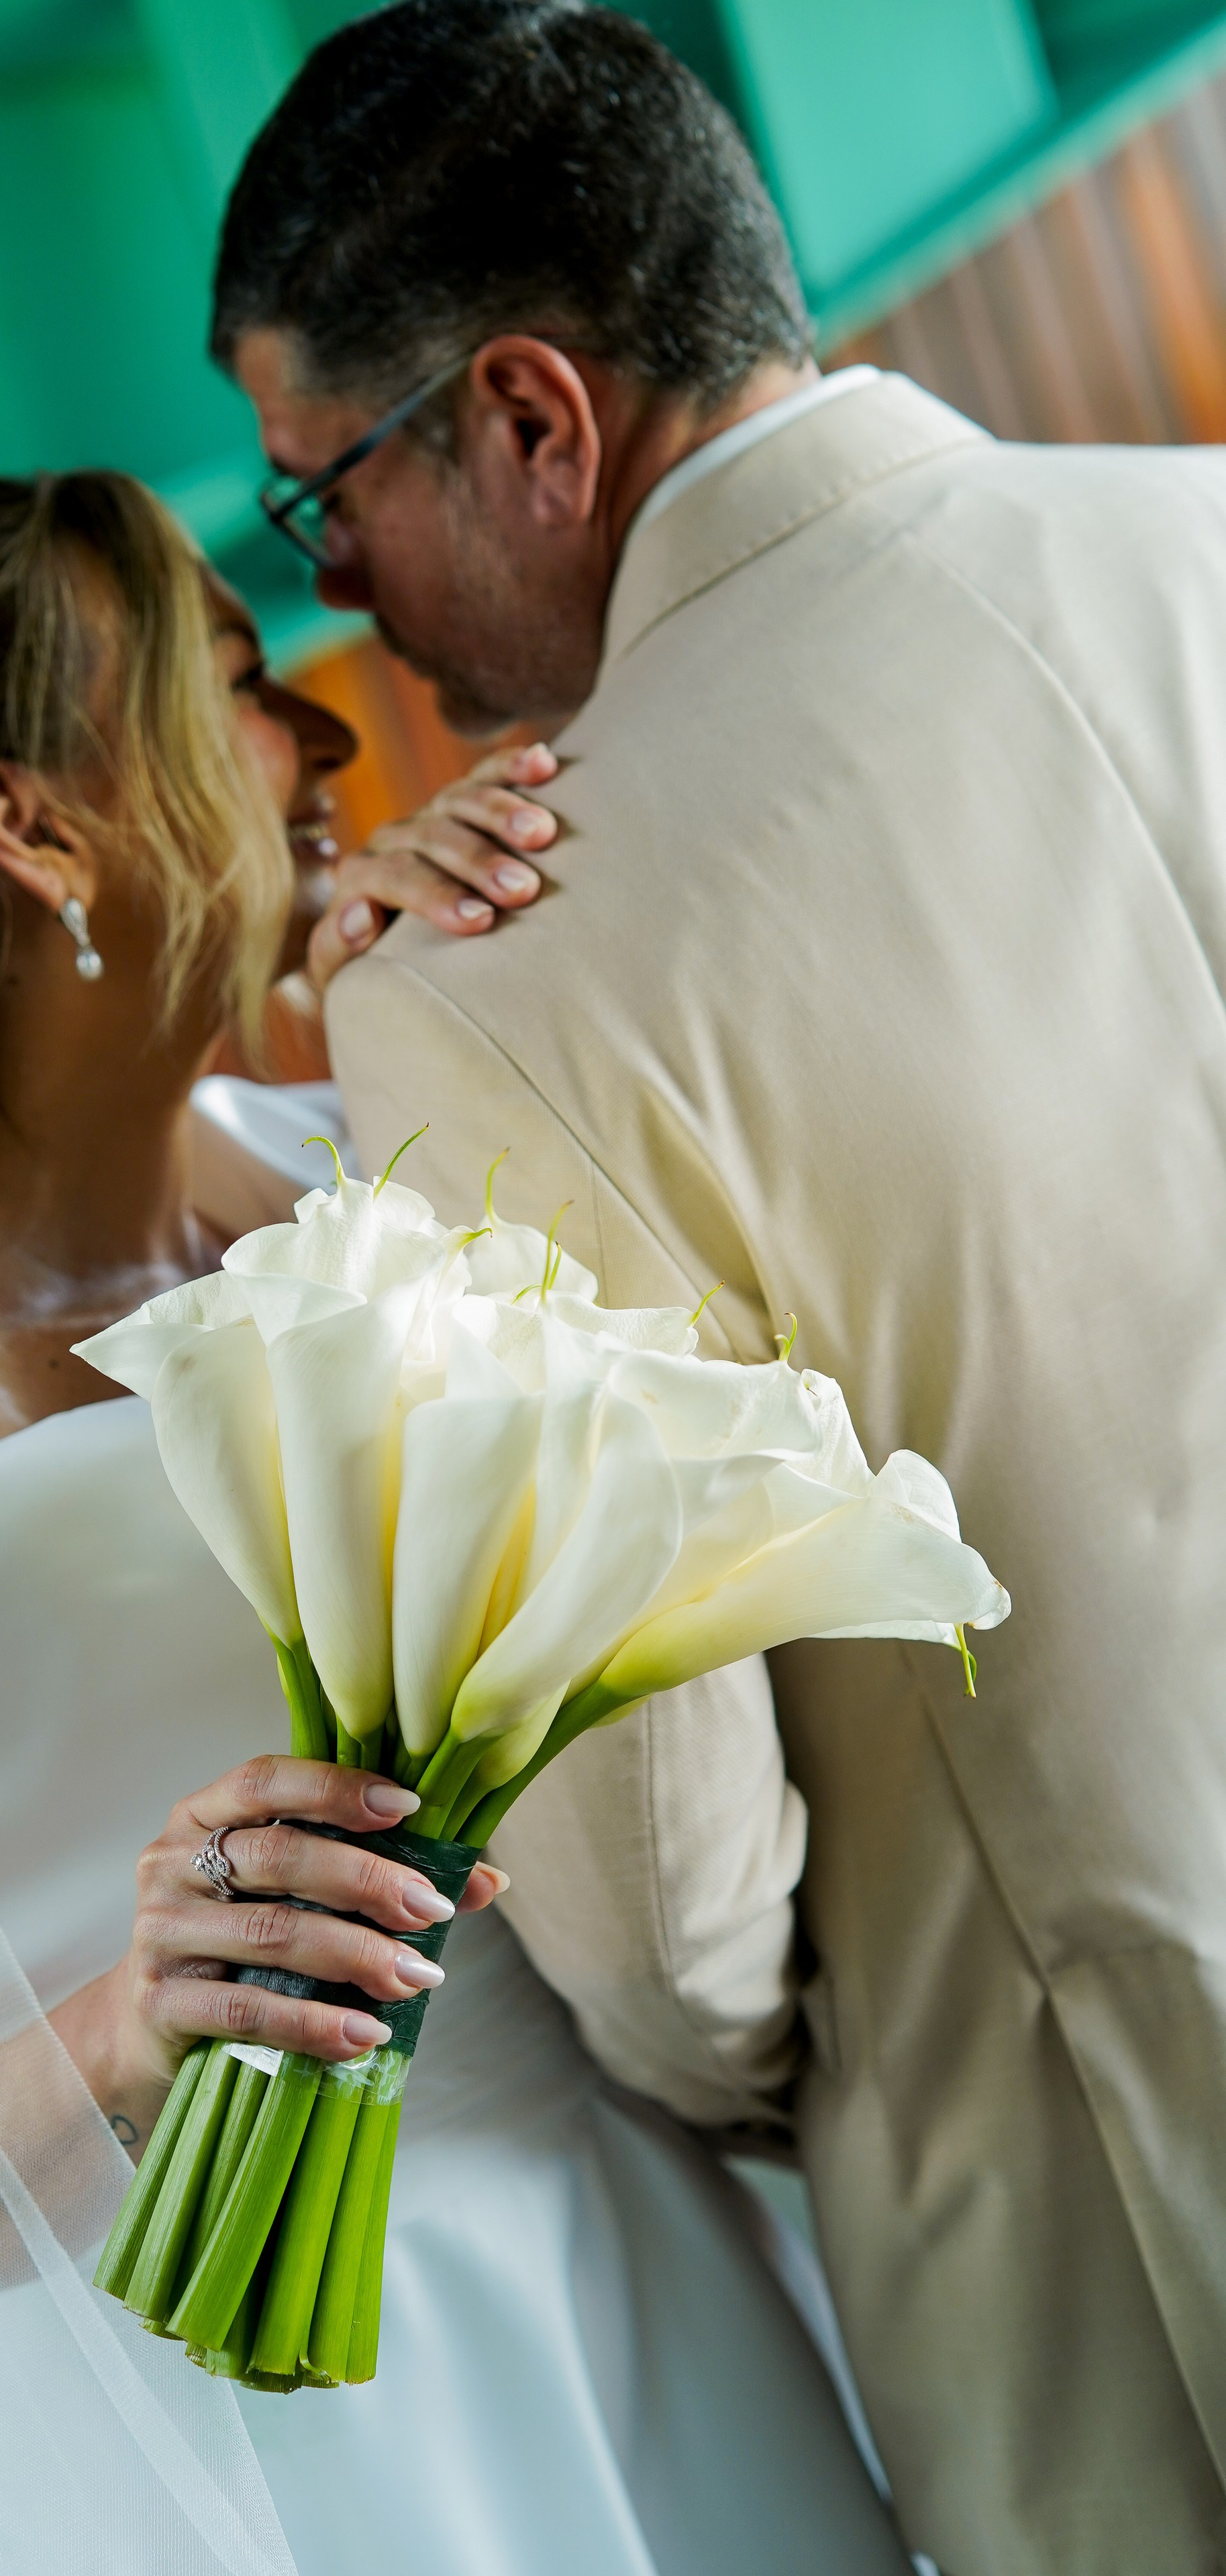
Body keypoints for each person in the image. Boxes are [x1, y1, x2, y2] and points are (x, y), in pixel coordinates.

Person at [0, 466, 910, 2576]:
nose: (331, 735)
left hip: (642, 2246)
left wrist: (438, 991)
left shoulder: (338, 1147)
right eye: (241, 686)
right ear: (33, 825)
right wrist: (130, 2023)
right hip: (316, 2445)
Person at [212, 5, 1226, 2571]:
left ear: (532, 418)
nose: (347, 620)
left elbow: (664, 1901)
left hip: (1118, 2192)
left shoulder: (496, 976)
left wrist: (826, 2070)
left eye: (320, 512)